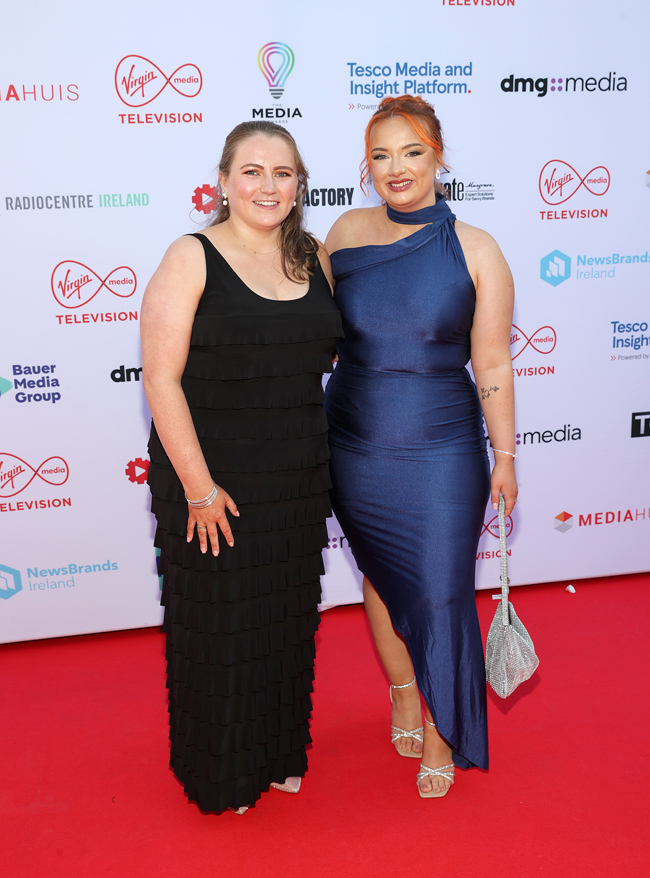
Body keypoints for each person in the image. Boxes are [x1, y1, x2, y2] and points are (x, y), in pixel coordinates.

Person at [141, 120, 342, 814]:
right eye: (250, 171)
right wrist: (198, 489)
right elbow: (161, 380)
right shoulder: (191, 256)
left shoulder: (315, 256)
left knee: (285, 620)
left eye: (282, 173)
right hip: (212, 478)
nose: (266, 185)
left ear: (299, 185)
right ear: (223, 181)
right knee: (219, 628)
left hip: (296, 477)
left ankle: (277, 749)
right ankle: (222, 770)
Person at [324, 95, 517, 798]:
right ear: (366, 165)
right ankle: (404, 692)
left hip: (441, 448)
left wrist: (508, 457)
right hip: (354, 439)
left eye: (411, 151)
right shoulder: (343, 234)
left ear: (439, 154)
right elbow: (299, 321)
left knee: (439, 593)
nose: (395, 168)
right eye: (380, 155)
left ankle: (442, 728)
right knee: (378, 577)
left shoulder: (477, 249)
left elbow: (492, 361)